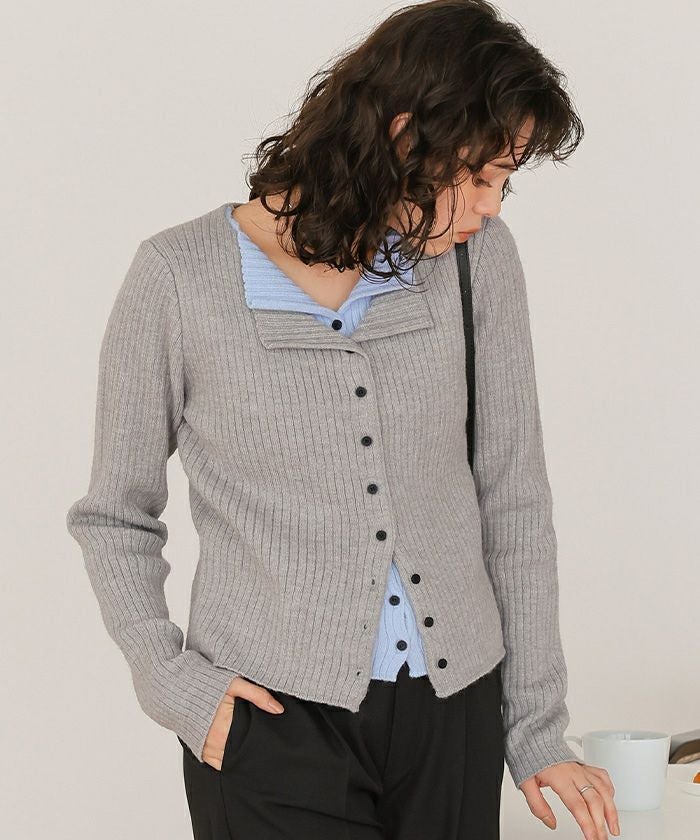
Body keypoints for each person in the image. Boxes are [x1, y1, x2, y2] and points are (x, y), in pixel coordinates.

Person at [66, 1, 620, 838]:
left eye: (506, 181)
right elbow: (114, 515)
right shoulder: (179, 279)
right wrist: (173, 683)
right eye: (480, 177)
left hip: (455, 713)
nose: (493, 207)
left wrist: (536, 729)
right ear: (405, 138)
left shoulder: (477, 264)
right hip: (270, 723)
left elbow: (513, 499)